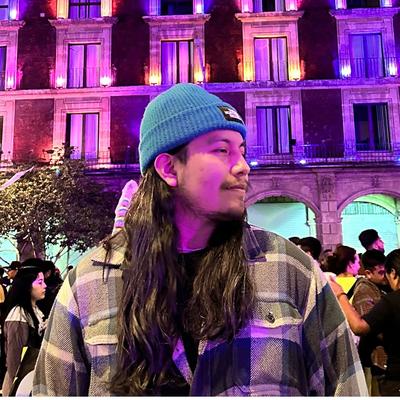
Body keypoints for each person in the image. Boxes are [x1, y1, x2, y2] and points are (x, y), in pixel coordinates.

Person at [32, 83, 367, 396]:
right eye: (222, 150)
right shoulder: (89, 283)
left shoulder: (291, 270)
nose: (243, 166)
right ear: (168, 168)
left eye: (241, 151)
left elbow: (346, 386)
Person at [329, 249, 400, 396]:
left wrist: (340, 294)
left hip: (395, 378)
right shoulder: (369, 290)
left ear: (393, 273)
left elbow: (359, 327)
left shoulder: (391, 300)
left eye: (386, 273)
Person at [1, 265, 47, 396]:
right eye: (40, 282)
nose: (44, 286)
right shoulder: (18, 315)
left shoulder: (34, 310)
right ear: (26, 285)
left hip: (29, 380)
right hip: (20, 385)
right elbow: (14, 361)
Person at [352, 250, 388, 395]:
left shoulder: (378, 288)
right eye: (381, 272)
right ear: (368, 273)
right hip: (376, 359)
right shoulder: (364, 291)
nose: (386, 276)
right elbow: (369, 324)